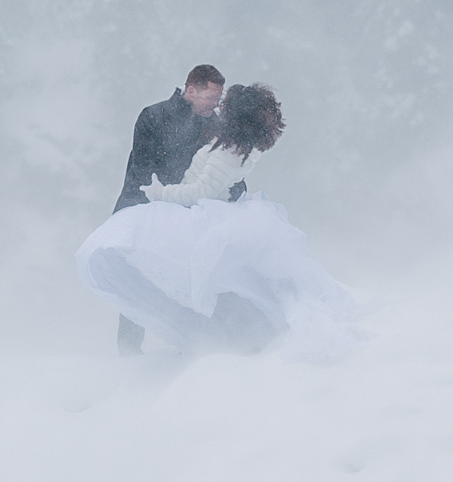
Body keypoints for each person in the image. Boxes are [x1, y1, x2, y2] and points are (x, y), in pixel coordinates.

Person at [77, 82, 357, 357]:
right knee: (183, 274)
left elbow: (204, 189)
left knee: (177, 272)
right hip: (199, 210)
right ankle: (186, 340)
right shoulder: (230, 144)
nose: (218, 107)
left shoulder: (228, 151)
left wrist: (160, 193)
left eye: (225, 105)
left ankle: (205, 342)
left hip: (197, 210)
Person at [105, 64, 228, 352]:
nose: (215, 105)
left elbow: (219, 168)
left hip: (187, 214)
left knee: (190, 281)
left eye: (218, 99)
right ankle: (128, 354)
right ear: (190, 90)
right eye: (210, 98)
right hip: (143, 211)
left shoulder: (214, 123)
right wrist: (165, 204)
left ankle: (192, 351)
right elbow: (141, 172)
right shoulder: (154, 116)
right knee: (138, 285)